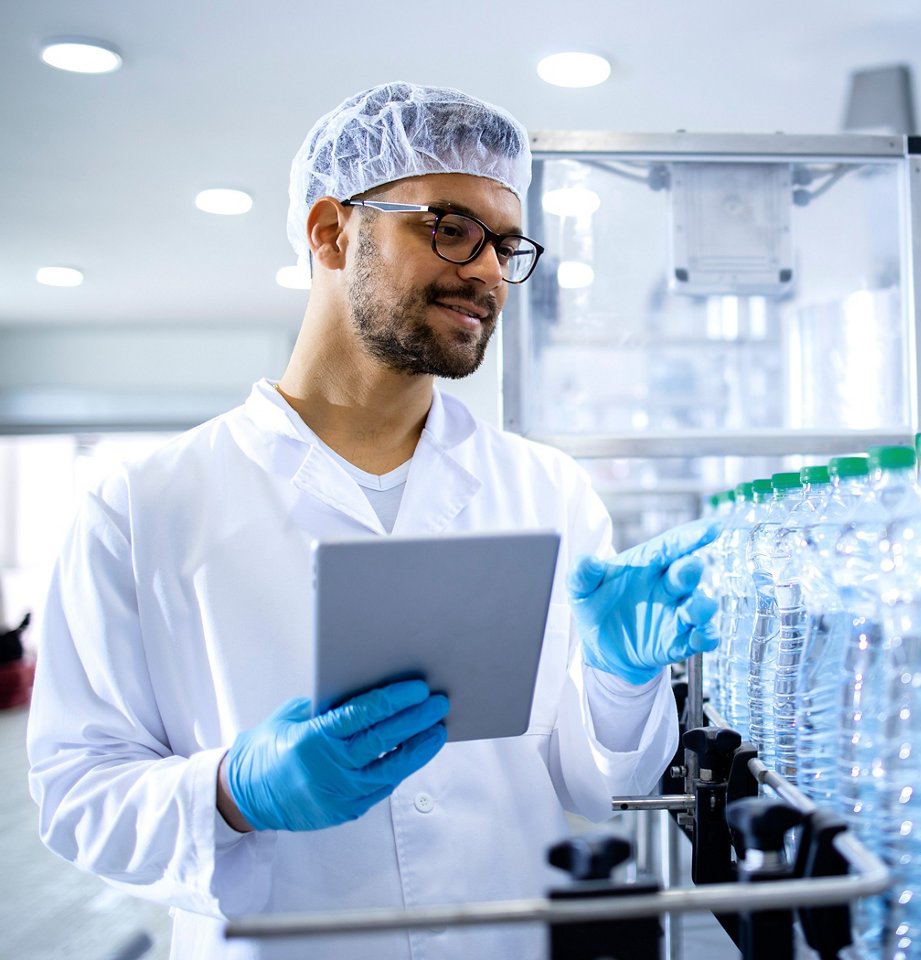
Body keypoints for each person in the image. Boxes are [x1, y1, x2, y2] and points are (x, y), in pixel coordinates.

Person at [27, 82, 719, 960]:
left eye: (506, 245)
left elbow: (596, 781)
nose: (486, 272)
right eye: (451, 227)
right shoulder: (141, 506)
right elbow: (76, 796)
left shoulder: (549, 492)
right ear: (331, 231)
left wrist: (623, 680)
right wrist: (235, 793)